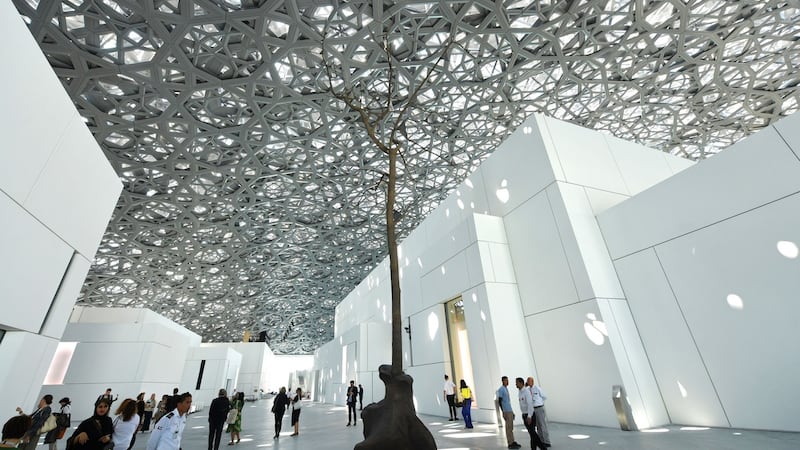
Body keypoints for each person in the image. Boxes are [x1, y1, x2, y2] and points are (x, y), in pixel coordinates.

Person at [516, 378, 546, 450]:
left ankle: (543, 448)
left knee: (533, 433)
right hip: (524, 415)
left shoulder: (526, 391)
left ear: (521, 383)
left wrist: (529, 416)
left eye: (517, 383)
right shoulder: (520, 392)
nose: (516, 384)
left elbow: (530, 404)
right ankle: (534, 448)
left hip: (529, 416)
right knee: (532, 433)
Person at [527, 377, 551, 447]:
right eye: (528, 381)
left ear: (533, 382)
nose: (528, 382)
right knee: (538, 426)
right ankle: (541, 441)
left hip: (539, 408)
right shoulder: (528, 390)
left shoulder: (537, 388)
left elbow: (544, 397)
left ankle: (547, 441)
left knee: (543, 425)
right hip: (533, 409)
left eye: (530, 381)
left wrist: (540, 403)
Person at [497, 376, 520, 449]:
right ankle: (510, 443)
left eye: (507, 380)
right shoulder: (501, 389)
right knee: (508, 428)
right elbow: (499, 401)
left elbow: (507, 401)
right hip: (506, 411)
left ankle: (512, 441)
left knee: (511, 427)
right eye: (506, 380)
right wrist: (503, 411)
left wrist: (512, 412)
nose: (507, 382)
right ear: (503, 381)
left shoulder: (506, 389)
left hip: (509, 410)